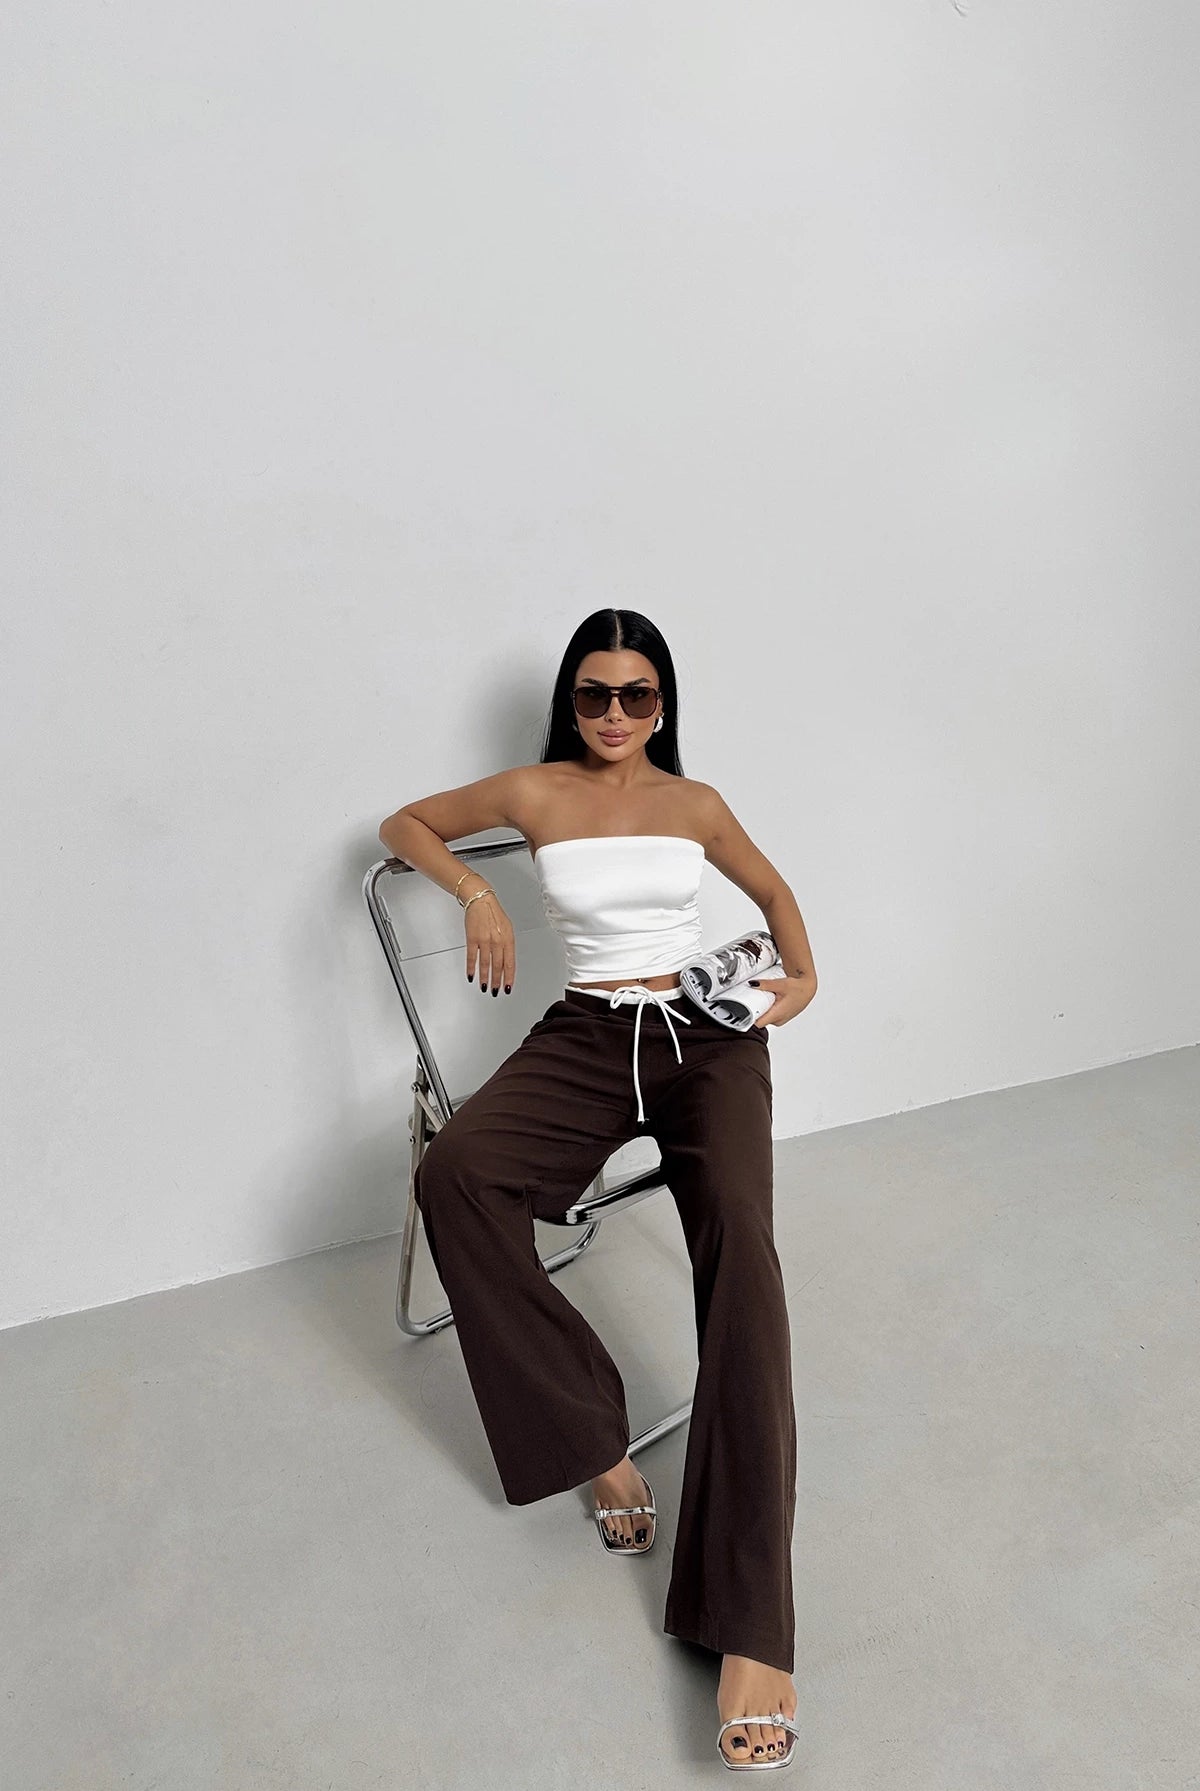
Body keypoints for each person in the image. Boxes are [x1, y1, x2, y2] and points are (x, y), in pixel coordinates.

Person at [379, 608, 818, 1769]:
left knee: (744, 1253)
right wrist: (475, 894)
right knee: (457, 1174)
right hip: (585, 1034)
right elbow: (404, 824)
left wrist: (804, 980)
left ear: (663, 704)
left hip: (705, 1042)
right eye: (594, 694)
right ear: (569, 702)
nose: (615, 714)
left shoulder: (696, 803)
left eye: (637, 695)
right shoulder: (533, 792)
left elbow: (776, 901)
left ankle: (751, 1625)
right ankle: (593, 1438)